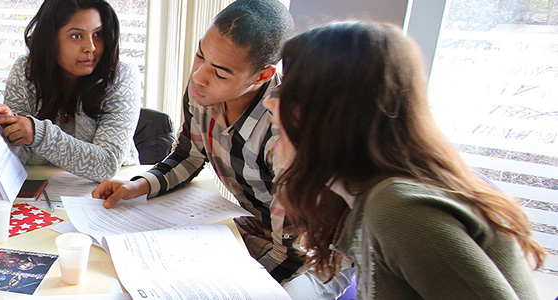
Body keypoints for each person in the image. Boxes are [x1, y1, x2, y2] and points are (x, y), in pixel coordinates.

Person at [91, 0, 355, 297]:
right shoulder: (202, 92)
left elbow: (291, 254)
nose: (199, 76)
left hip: (314, 256)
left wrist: (221, 286)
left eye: (220, 73)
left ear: (262, 76)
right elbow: (188, 154)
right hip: (258, 230)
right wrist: (137, 186)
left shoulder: (285, 130)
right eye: (200, 55)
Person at [266, 21, 544, 299]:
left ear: (330, 113)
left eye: (288, 91)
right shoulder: (366, 196)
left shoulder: (399, 208)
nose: (270, 102)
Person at [0, 0, 142, 182]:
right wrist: (9, 132)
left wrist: (38, 134)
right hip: (43, 188)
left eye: (98, 34)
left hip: (112, 188)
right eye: (77, 36)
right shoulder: (25, 70)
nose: (91, 47)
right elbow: (18, 159)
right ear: (50, 39)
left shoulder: (121, 75)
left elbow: (107, 165)